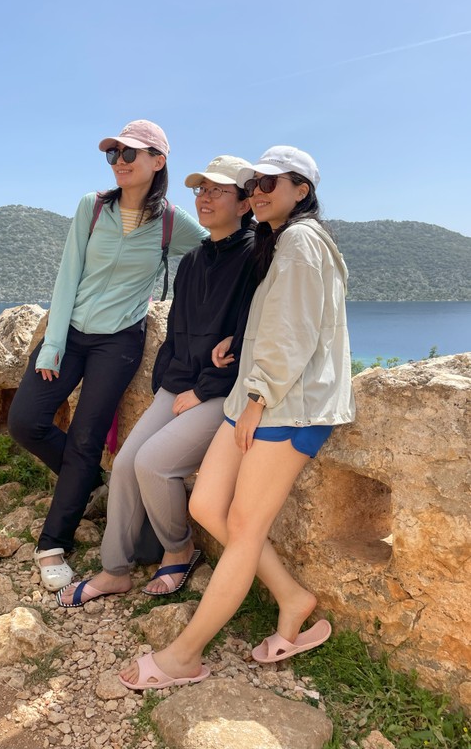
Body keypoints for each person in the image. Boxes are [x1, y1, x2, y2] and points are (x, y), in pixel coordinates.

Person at [118, 145, 356, 689]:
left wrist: (257, 399)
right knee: (205, 505)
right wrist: (241, 345)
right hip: (258, 399)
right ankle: (292, 596)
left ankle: (184, 655)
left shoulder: (300, 240)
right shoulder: (280, 241)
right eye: (254, 184)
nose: (259, 192)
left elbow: (294, 333)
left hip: (287, 407)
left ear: (302, 190)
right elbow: (277, 319)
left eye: (271, 183)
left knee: (246, 528)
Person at [7, 119, 208, 591]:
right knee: (25, 421)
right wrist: (52, 344)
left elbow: (222, 245)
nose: (119, 162)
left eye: (129, 154)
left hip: (119, 342)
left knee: (85, 438)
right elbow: (68, 274)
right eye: (113, 154)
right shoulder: (93, 207)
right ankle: (90, 481)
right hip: (71, 334)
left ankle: (53, 543)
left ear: (158, 161)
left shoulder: (172, 222)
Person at [56, 155, 259, 607]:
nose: (205, 199)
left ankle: (179, 549)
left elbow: (251, 336)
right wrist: (170, 382)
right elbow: (177, 331)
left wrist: (201, 390)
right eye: (201, 190)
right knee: (126, 463)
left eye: (218, 191)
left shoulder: (255, 258)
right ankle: (114, 570)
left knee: (153, 464)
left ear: (245, 204)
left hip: (223, 390)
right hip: (180, 383)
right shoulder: (193, 261)